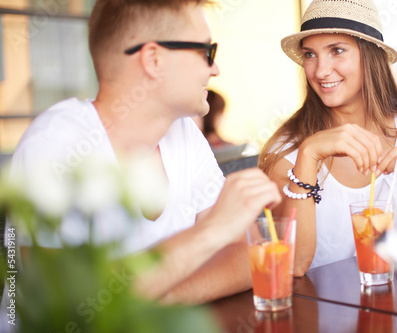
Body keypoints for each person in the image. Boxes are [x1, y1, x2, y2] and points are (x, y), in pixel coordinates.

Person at [9, 0, 281, 304]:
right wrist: (211, 232)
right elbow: (68, 300)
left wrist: (156, 301)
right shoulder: (57, 143)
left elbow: (249, 257)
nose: (215, 68)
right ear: (153, 59)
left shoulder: (185, 134)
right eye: (207, 51)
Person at [259, 0, 397, 275]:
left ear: (370, 56)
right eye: (310, 54)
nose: (320, 70)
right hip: (316, 311)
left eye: (337, 50)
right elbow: (292, 267)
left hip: (393, 302)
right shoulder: (286, 148)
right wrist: (309, 154)